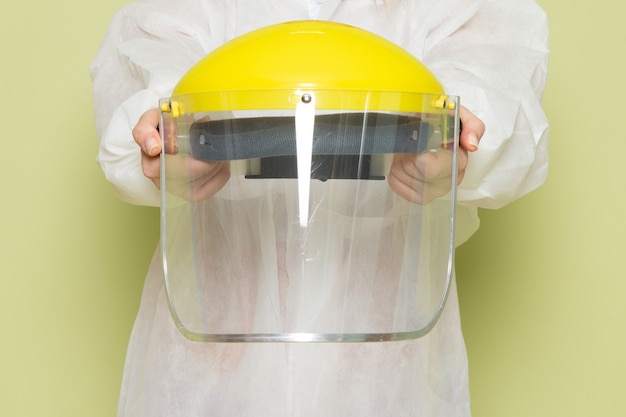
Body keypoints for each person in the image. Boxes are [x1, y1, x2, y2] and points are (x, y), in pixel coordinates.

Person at [91, 0, 549, 416]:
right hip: (212, 353)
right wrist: (165, 133)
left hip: (384, 360)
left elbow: (498, 74)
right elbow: (145, 68)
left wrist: (455, 133)